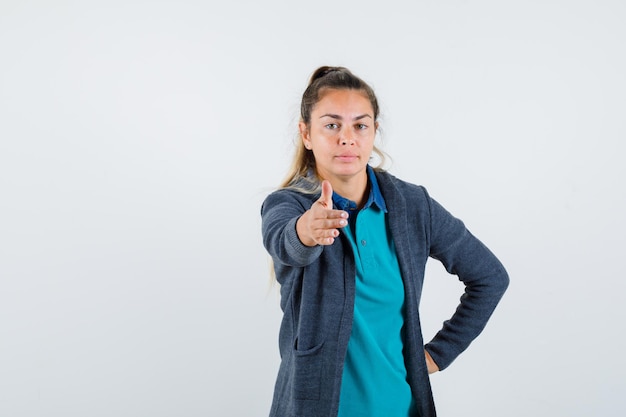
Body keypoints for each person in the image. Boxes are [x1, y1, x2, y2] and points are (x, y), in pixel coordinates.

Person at [260, 66, 509, 417]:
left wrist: (438, 354)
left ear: (374, 131)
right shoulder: (289, 205)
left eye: (360, 125)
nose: (347, 138)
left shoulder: (412, 206)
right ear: (306, 134)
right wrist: (307, 230)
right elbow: (283, 239)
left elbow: (490, 277)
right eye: (331, 125)